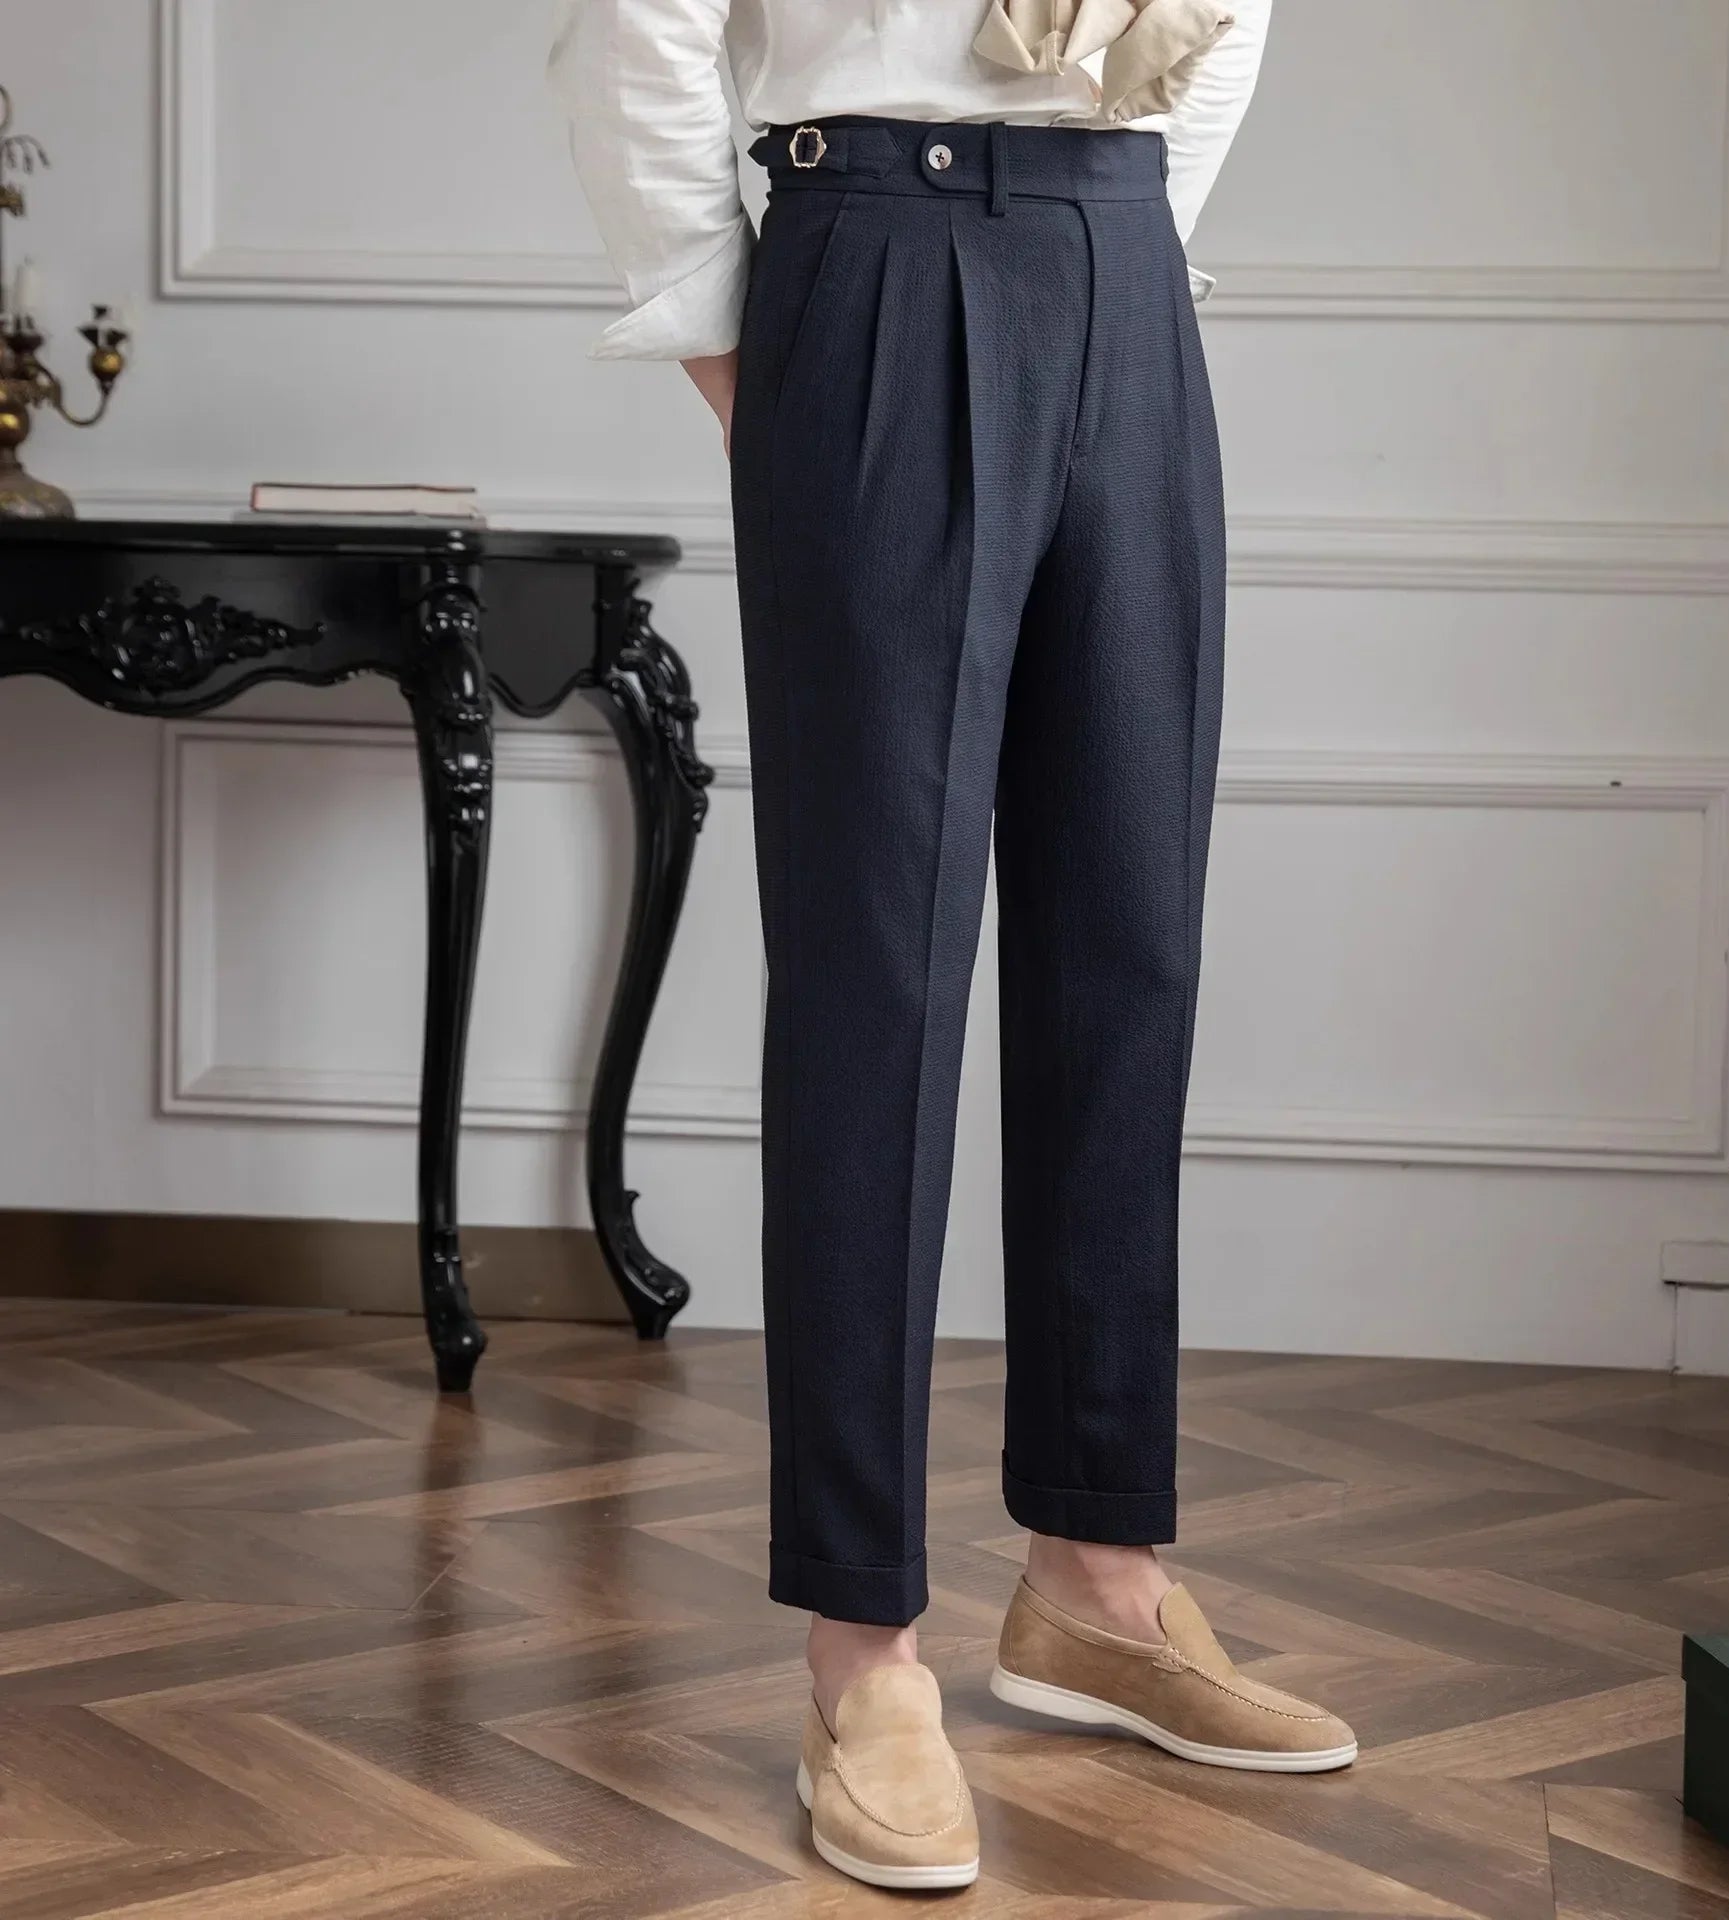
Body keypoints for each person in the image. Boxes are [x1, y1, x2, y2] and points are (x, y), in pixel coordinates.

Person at [552, 0, 1355, 1890]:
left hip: (1124, 263)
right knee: (877, 982)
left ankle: (1098, 1578)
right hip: (873, 257)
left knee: (1128, 945)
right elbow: (638, 23)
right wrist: (753, 339)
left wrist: (1109, 230)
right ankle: (863, 1650)